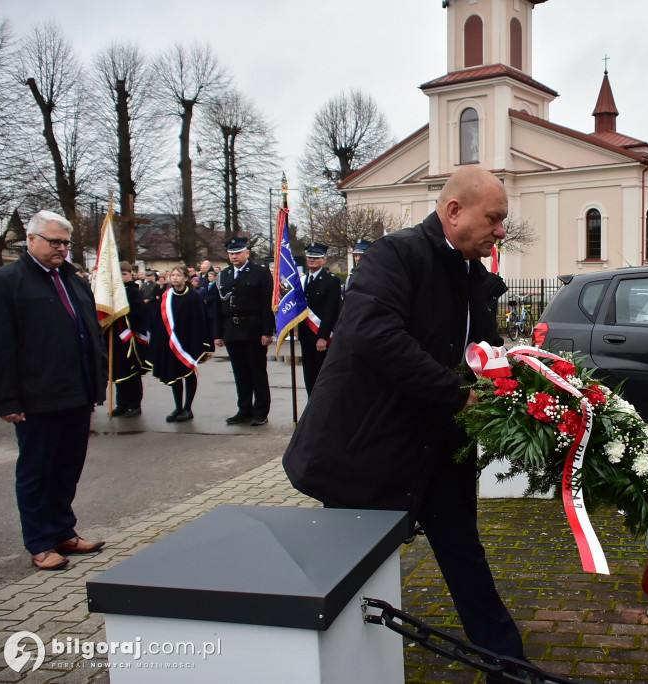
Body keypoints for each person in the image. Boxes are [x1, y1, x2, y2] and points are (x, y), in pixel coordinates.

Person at [283, 167, 525, 667]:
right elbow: (375, 336)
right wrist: (456, 396)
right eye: (495, 218)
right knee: (351, 566)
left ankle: (506, 662)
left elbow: (481, 350)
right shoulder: (394, 255)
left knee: (463, 552)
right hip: (367, 449)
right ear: (454, 211)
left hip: (435, 446)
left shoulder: (471, 276)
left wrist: (521, 376)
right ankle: (339, 663)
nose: (501, 230)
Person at [0, 210, 107, 571]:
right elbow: (1, 344)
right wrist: (7, 399)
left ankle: (62, 530)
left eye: (65, 243)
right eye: (54, 241)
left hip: (76, 393)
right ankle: (40, 542)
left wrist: (95, 385)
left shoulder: (73, 280)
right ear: (31, 239)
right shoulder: (9, 281)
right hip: (36, 397)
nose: (61, 248)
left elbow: (89, 334)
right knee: (37, 470)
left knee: (67, 468)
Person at [213, 238, 274, 426]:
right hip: (232, 329)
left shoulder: (260, 273)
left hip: (253, 329)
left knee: (257, 371)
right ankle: (244, 408)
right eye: (231, 253)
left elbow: (266, 304)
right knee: (240, 372)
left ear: (247, 253)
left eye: (238, 252)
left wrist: (267, 331)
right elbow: (218, 305)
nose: (234, 256)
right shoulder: (224, 275)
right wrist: (217, 333)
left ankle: (261, 410)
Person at [148, 266, 214, 422]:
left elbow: (201, 320)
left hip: (189, 341)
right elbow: (160, 320)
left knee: (188, 373)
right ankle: (178, 407)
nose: (175, 278)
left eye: (178, 275)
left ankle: (187, 408)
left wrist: (203, 342)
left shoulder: (194, 297)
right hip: (171, 341)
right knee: (174, 375)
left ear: (186, 278)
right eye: (173, 275)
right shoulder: (167, 296)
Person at [106, 261, 149, 418]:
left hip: (130, 336)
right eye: (119, 274)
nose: (121, 277)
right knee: (118, 371)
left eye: (124, 274)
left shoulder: (133, 292)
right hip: (116, 337)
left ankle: (134, 404)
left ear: (131, 274)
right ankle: (121, 404)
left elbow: (139, 314)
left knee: (132, 371)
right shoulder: (111, 292)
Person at [298, 242, 341, 395]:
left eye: (316, 257)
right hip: (305, 336)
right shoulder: (301, 281)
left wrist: (323, 337)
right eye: (309, 256)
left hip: (321, 337)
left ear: (324, 260)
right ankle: (311, 408)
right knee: (309, 376)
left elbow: (331, 311)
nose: (312, 260)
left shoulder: (331, 281)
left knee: (323, 377)